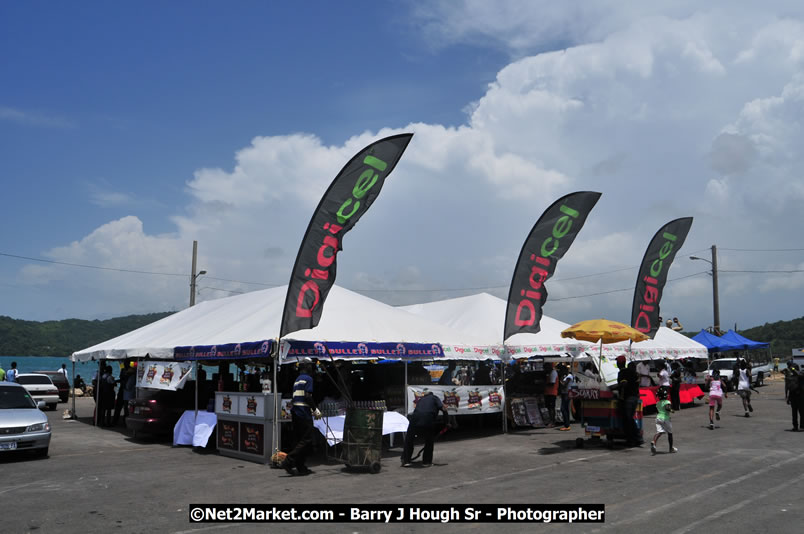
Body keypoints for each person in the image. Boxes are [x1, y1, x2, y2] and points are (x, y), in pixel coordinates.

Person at [280, 359, 320, 476]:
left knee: (299, 440)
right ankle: (288, 461)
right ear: (307, 367)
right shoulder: (308, 379)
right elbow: (307, 396)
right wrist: (315, 409)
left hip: (296, 413)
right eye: (311, 366)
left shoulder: (297, 380)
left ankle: (301, 466)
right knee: (307, 440)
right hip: (303, 413)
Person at [401, 391, 449, 467]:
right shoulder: (434, 398)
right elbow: (443, 408)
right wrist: (447, 422)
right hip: (428, 420)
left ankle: (406, 460)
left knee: (409, 439)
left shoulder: (420, 400)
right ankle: (426, 462)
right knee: (429, 441)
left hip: (414, 419)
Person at [616, 356, 642, 447]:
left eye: (617, 362)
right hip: (634, 397)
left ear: (620, 363)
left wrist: (614, 387)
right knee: (629, 418)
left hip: (628, 398)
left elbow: (624, 384)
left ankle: (633, 439)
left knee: (628, 419)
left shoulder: (622, 373)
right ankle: (636, 437)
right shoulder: (632, 372)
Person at [650, 387, 677, 454]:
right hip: (666, 419)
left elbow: (658, 410)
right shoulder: (667, 402)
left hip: (658, 418)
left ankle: (654, 442)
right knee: (670, 433)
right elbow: (667, 408)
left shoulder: (658, 403)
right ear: (666, 395)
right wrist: (671, 410)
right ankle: (671, 448)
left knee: (659, 432)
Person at [784, 361, 803, 431]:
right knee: (794, 412)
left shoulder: (801, 374)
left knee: (802, 412)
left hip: (800, 395)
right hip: (793, 395)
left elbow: (799, 374)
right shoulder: (791, 377)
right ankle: (795, 426)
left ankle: (802, 426)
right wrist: (787, 397)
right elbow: (788, 387)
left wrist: (793, 369)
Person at [558, 364, 575, 431]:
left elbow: (564, 384)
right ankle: (566, 424)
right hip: (564, 393)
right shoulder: (565, 376)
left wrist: (560, 380)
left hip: (567, 394)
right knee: (565, 409)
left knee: (563, 409)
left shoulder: (569, 376)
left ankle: (567, 425)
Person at [543, 362, 559, 427]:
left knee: (551, 408)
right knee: (549, 408)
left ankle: (552, 422)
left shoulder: (553, 373)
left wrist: (544, 384)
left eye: (545, 368)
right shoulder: (550, 373)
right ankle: (551, 421)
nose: (545, 369)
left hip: (552, 393)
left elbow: (552, 383)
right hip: (548, 392)